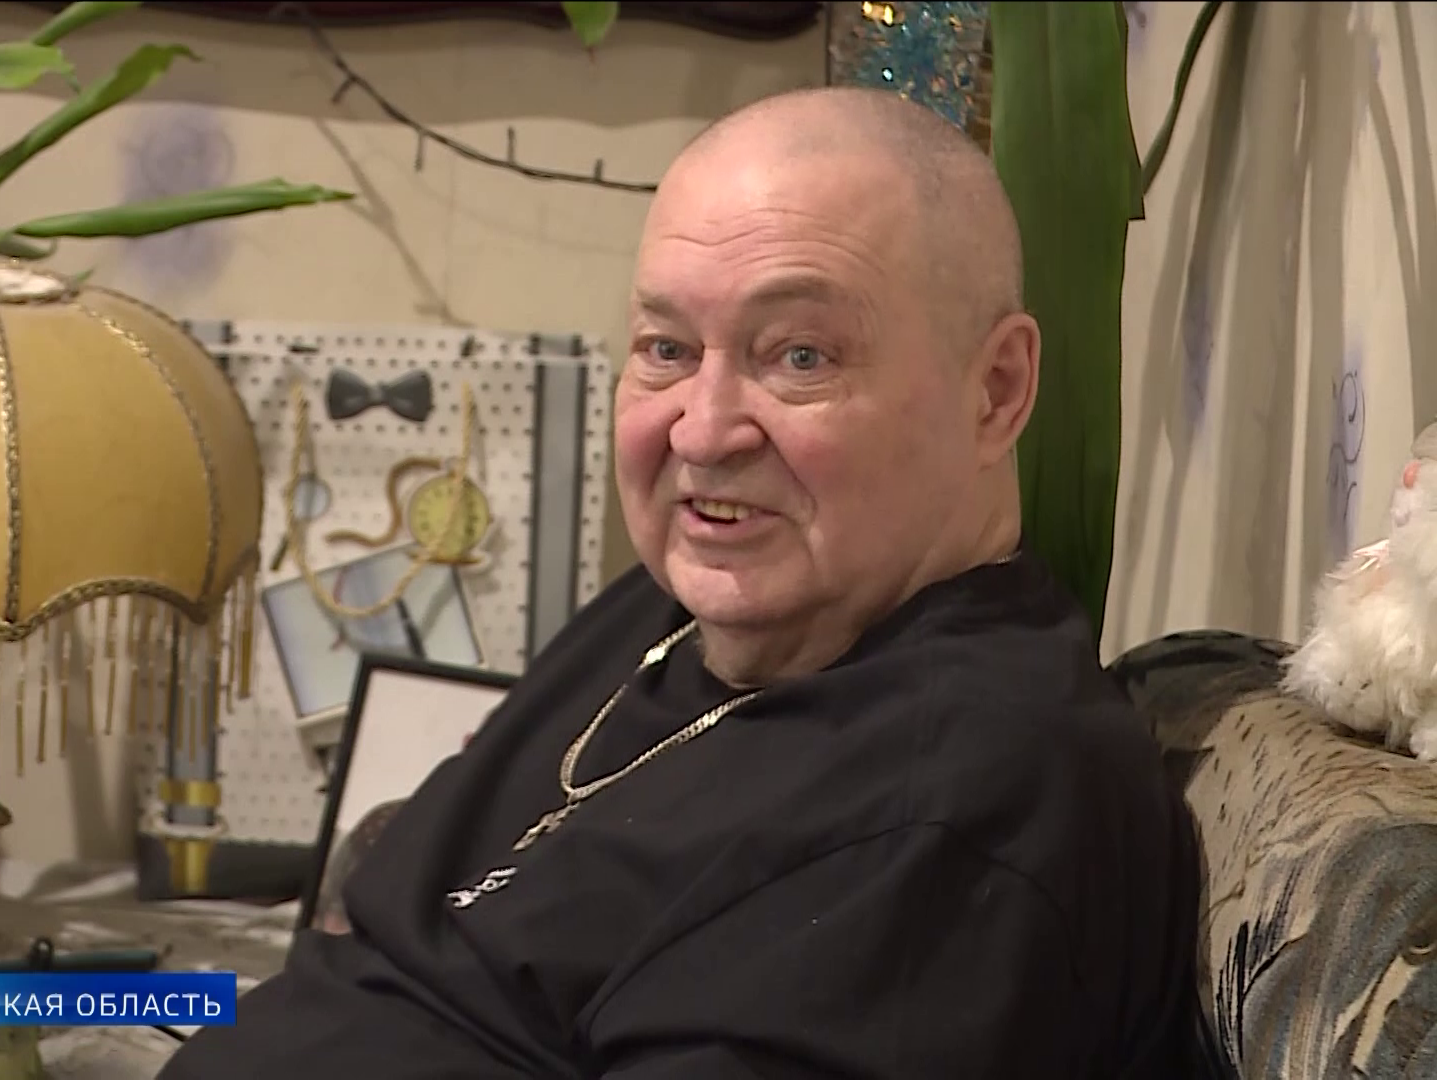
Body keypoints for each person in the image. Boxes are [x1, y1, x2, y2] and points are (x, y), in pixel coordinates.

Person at [160, 87, 1201, 1079]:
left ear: (997, 391)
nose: (701, 432)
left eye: (799, 356)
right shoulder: (691, 608)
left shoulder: (958, 814)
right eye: (666, 347)